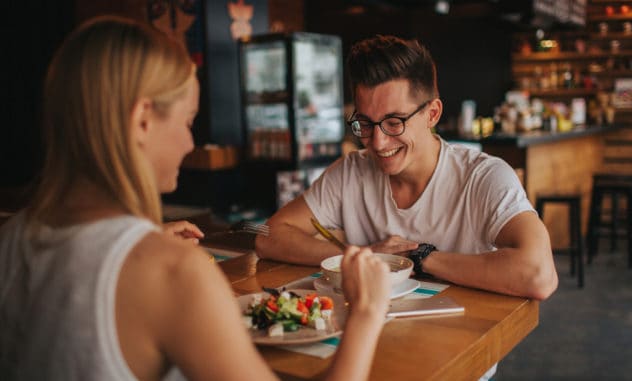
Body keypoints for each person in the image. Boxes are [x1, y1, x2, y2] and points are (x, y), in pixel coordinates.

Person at [0, 16, 391, 381]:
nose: (190, 142)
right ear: (142, 121)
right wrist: (367, 312)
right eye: (188, 121)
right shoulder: (175, 273)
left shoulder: (12, 238)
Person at [256, 35, 558, 301]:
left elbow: (539, 275)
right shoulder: (351, 171)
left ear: (432, 114)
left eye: (393, 122)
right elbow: (268, 235)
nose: (377, 141)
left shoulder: (483, 177)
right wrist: (364, 256)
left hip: (458, 347)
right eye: (365, 123)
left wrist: (421, 258)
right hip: (367, 340)